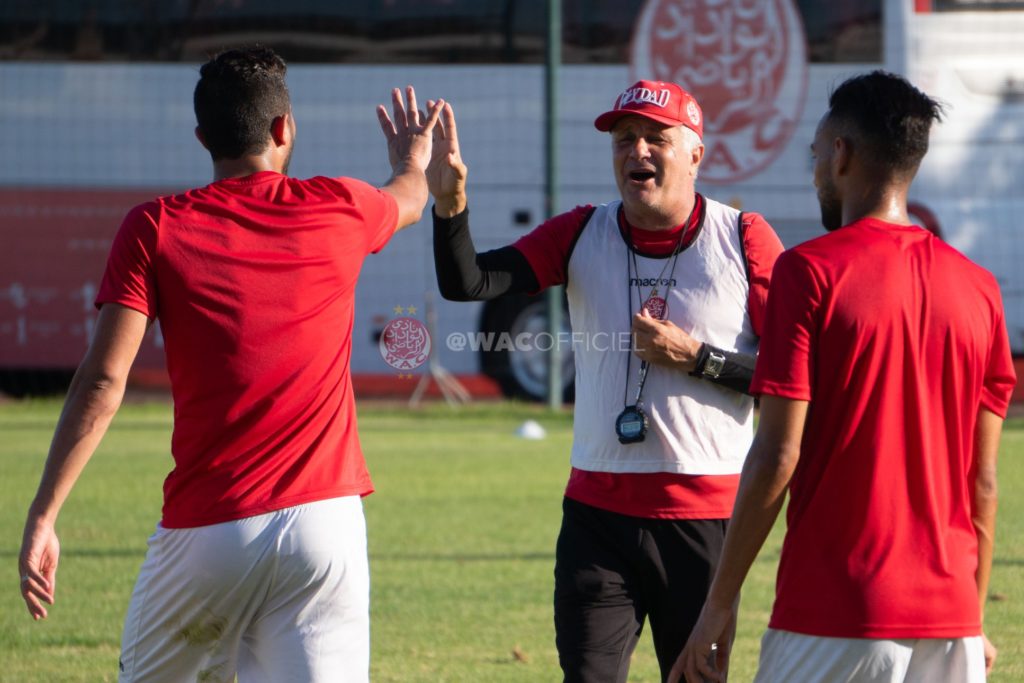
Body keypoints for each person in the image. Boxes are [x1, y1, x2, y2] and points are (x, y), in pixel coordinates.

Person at [18, 46, 443, 682]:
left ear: (202, 137)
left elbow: (104, 381)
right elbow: (410, 197)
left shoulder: (154, 228)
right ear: (283, 129)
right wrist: (412, 160)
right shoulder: (342, 207)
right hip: (328, 530)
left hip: (210, 529)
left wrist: (44, 515)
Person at [427, 80, 784, 682]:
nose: (636, 151)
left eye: (655, 138)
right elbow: (469, 283)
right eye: (624, 139)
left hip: (704, 519)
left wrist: (698, 357)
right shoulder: (580, 231)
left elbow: (793, 378)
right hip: (596, 515)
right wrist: (450, 206)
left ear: (696, 154)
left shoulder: (744, 238)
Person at [672, 70, 1017, 683]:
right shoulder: (981, 290)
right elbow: (983, 482)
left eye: (815, 155)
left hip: (836, 614)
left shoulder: (809, 273)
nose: (813, 173)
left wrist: (715, 608)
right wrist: (973, 616)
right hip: (955, 623)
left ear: (841, 154)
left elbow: (778, 454)